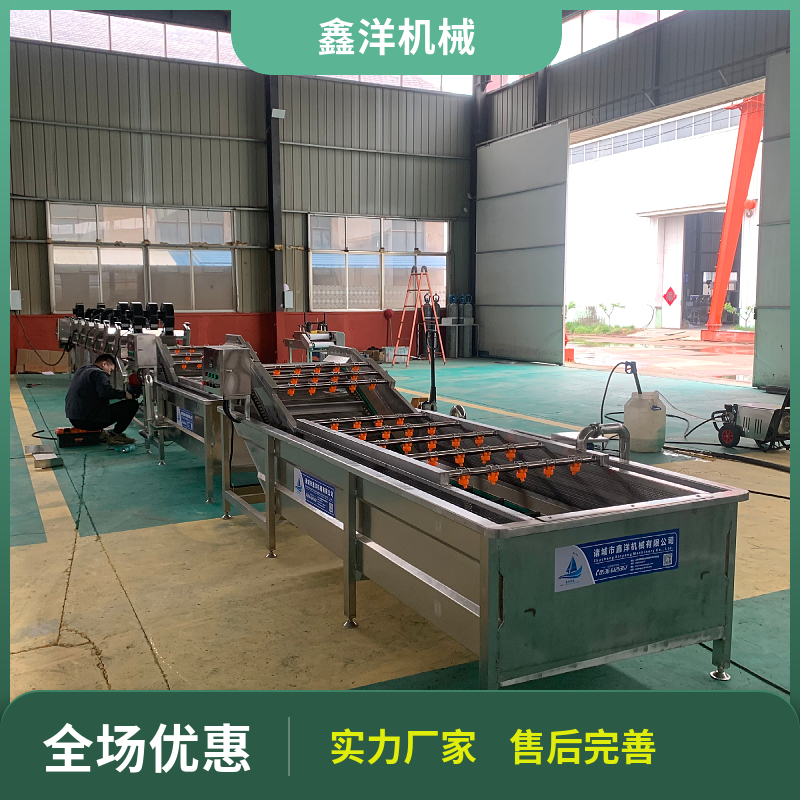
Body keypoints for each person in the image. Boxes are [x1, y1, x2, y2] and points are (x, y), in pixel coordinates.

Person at [65, 354, 139, 445]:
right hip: (88, 420)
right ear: (104, 364)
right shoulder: (99, 373)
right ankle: (115, 434)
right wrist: (124, 394)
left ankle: (102, 431)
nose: (109, 373)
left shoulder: (82, 370)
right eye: (110, 370)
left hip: (74, 418)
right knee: (132, 405)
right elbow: (105, 392)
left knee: (102, 404)